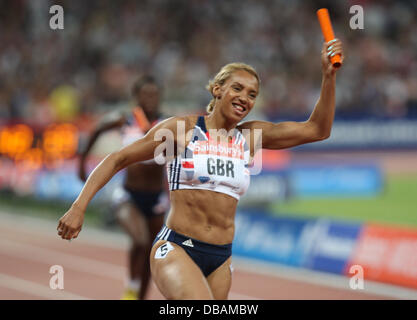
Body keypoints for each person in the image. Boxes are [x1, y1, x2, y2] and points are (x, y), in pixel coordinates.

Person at [57, 39, 344, 299]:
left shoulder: (251, 137)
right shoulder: (181, 130)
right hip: (177, 247)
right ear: (217, 89)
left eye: (252, 94)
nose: (245, 97)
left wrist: (328, 77)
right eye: (238, 88)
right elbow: (118, 159)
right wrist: (79, 206)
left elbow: (318, 129)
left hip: (220, 258)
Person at [78, 75, 168, 300]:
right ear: (136, 96)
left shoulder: (169, 124)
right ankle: (130, 289)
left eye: (154, 94)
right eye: (145, 94)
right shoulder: (124, 120)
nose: (150, 98)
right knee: (140, 240)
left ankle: (140, 296)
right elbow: (97, 130)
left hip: (157, 196)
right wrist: (82, 162)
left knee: (151, 252)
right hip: (128, 194)